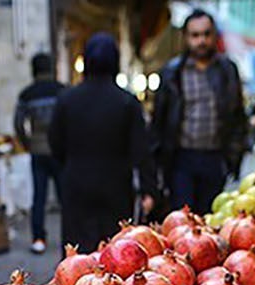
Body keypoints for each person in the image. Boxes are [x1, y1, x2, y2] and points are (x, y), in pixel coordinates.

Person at [49, 33, 156, 255]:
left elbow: (55, 143)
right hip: (115, 184)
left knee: (77, 253)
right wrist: (149, 189)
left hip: (76, 182)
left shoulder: (66, 100)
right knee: (115, 252)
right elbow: (141, 150)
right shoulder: (127, 102)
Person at [150, 9, 247, 214]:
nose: (201, 41)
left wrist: (232, 160)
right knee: (182, 219)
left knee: (209, 219)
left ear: (214, 35)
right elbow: (159, 121)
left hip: (215, 158)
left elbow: (238, 116)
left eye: (206, 34)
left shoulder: (227, 70)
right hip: (181, 160)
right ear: (186, 38)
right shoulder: (172, 73)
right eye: (195, 35)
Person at [13, 53, 65, 255]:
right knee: (64, 198)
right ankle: (69, 239)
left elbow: (18, 123)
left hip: (37, 150)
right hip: (59, 151)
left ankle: (38, 238)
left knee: (39, 197)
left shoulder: (27, 94)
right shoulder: (62, 91)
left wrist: (27, 143)